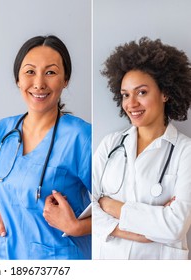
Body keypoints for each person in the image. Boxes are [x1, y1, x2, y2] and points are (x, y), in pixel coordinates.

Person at [0, 35, 92, 260]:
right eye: (30, 72)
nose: (39, 83)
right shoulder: (1, 131)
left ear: (65, 79)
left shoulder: (81, 136)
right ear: (18, 78)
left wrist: (77, 227)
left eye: (50, 72)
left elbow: (110, 207)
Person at [93, 37, 191, 259]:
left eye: (142, 92)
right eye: (126, 95)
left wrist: (110, 205)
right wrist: (141, 231)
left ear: (165, 93)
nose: (131, 103)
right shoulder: (111, 144)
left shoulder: (186, 152)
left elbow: (175, 226)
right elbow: (86, 205)